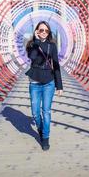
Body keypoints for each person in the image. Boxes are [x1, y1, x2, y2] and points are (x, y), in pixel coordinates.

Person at [25, 21, 63, 151]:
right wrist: (36, 41)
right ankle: (41, 129)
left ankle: (45, 137)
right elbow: (32, 57)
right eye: (41, 30)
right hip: (34, 82)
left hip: (48, 82)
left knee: (46, 112)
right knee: (35, 113)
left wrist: (59, 86)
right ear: (37, 31)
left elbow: (56, 65)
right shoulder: (31, 45)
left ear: (49, 32)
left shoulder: (52, 46)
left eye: (46, 31)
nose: (44, 33)